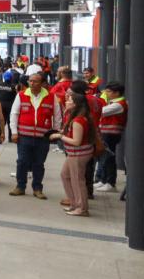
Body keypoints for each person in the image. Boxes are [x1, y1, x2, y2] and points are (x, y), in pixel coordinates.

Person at [9, 72, 57, 199]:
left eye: (35, 81)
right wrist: (14, 132)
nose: (31, 83)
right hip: (24, 136)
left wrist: (55, 133)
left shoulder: (52, 97)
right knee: (22, 162)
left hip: (43, 137)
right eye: (30, 81)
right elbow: (14, 114)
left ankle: (37, 188)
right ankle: (20, 186)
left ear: (42, 83)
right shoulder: (21, 95)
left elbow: (57, 116)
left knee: (39, 163)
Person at [52, 87, 95, 217]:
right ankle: (74, 203)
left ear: (75, 104)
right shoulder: (77, 117)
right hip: (75, 153)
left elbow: (76, 141)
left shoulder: (78, 120)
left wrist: (60, 137)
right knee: (66, 176)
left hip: (78, 153)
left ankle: (82, 208)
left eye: (70, 99)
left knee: (77, 180)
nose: (67, 100)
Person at [96, 82, 126, 192]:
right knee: (104, 157)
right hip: (106, 133)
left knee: (109, 158)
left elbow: (101, 111)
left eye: (108, 91)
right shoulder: (113, 102)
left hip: (111, 134)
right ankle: (103, 180)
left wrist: (98, 101)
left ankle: (110, 182)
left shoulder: (118, 104)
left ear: (117, 93)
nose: (106, 93)